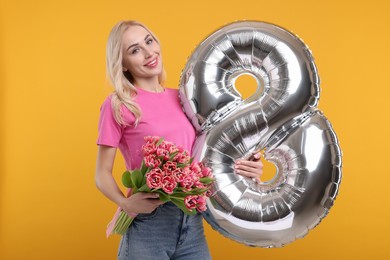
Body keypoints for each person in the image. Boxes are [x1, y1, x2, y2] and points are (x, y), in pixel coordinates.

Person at [95, 20, 263, 260]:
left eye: (148, 41)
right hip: (148, 224)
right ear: (122, 64)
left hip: (192, 220)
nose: (148, 52)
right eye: (135, 50)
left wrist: (247, 167)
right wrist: (126, 203)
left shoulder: (185, 99)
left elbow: (208, 155)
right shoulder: (119, 105)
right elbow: (101, 173)